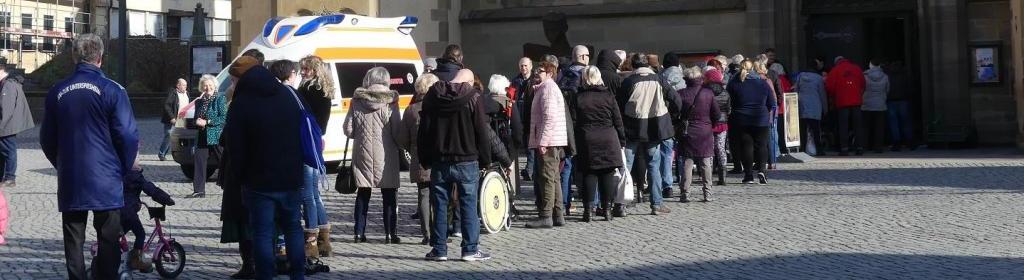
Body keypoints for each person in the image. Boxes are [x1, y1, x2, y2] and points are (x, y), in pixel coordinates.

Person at [40, 33, 140, 280]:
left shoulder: (57, 91)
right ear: (100, 58)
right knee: (108, 237)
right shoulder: (113, 90)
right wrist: (123, 167)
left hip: (72, 175)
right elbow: (127, 134)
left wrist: (62, 163)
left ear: (75, 56)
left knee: (73, 238)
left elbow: (46, 138)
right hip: (106, 176)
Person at [222, 58, 307, 279]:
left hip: (258, 181)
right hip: (291, 177)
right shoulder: (289, 95)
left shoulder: (242, 103)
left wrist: (241, 177)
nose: (232, 84)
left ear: (241, 79)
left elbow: (234, 146)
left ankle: (265, 276)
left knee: (261, 232)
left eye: (233, 80)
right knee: (293, 228)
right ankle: (298, 274)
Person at [418, 68, 493, 261]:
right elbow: (481, 131)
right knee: (468, 204)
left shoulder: (432, 96)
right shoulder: (473, 97)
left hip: (440, 160)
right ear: (468, 82)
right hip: (467, 159)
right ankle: (469, 249)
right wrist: (485, 159)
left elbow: (424, 129)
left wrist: (424, 158)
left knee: (440, 205)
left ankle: (439, 249)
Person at [342, 67, 404, 244]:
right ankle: (390, 234)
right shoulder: (391, 101)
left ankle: (358, 233)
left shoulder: (357, 100)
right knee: (389, 194)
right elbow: (397, 130)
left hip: (362, 153)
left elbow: (348, 129)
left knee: (363, 192)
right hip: (386, 155)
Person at [618, 53, 680, 215]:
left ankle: (620, 204)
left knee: (627, 166)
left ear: (633, 65)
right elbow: (676, 100)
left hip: (632, 127)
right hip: (654, 127)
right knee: (653, 165)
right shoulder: (659, 79)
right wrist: (671, 116)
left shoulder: (629, 81)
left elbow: (619, 105)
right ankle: (656, 204)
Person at [572, 66, 624, 222]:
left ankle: (588, 211)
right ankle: (607, 210)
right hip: (608, 137)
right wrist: (622, 140)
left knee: (589, 173)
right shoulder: (609, 95)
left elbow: (574, 121)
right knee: (607, 173)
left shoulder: (579, 97)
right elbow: (618, 120)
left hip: (587, 139)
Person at [297, 55, 334, 259]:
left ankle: (311, 238)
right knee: (314, 193)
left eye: (306, 69)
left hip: (307, 142)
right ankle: (324, 239)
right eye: (302, 69)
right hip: (316, 141)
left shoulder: (310, 89)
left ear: (314, 70)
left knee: (308, 193)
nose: (303, 72)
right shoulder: (323, 89)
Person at [525, 60, 569, 228]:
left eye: (541, 70)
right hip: (553, 140)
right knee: (554, 178)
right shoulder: (546, 88)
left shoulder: (548, 89)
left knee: (547, 178)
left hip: (549, 142)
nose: (537, 73)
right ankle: (558, 214)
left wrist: (542, 141)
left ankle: (546, 216)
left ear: (550, 73)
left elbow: (549, 118)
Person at [399, 73, 439, 245]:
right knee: (439, 195)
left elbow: (402, 139)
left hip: (419, 157)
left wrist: (413, 149)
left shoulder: (411, 110)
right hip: (439, 157)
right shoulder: (440, 106)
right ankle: (439, 233)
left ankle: (427, 234)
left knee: (423, 194)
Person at [122, 152, 175, 270]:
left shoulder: (120, 173)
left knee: (121, 231)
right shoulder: (136, 177)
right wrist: (167, 199)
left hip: (117, 209)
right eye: (138, 158)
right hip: (128, 211)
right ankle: (136, 259)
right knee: (140, 233)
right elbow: (151, 190)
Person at [675, 67, 721, 202]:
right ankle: (708, 193)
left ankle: (685, 193)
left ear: (686, 79)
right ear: (700, 78)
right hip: (705, 130)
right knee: (706, 162)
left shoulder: (681, 93)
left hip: (687, 130)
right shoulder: (708, 93)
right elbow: (717, 114)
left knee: (687, 163)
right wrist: (710, 125)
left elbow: (674, 113)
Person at [727, 60, 776, 185]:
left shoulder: (734, 83)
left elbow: (728, 102)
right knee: (762, 145)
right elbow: (772, 103)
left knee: (746, 146)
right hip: (761, 118)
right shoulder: (762, 83)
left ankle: (748, 175)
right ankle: (762, 170)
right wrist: (765, 112)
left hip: (741, 119)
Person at [186, 74, 226, 199]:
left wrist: (207, 121)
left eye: (210, 85)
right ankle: (199, 190)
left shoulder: (220, 98)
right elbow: (194, 119)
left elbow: (223, 117)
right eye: (205, 85)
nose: (207, 87)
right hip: (202, 135)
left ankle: (233, 186)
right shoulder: (199, 101)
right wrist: (196, 122)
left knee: (224, 162)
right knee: (199, 162)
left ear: (214, 86)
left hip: (215, 135)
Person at [826, 56, 867, 156]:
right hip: (856, 101)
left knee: (843, 126)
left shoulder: (835, 70)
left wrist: (834, 96)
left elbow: (829, 87)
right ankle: (859, 147)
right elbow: (863, 84)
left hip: (842, 101)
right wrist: (858, 94)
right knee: (858, 126)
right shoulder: (856, 68)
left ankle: (844, 148)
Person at [658, 52, 684, 199]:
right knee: (680, 152)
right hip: (679, 119)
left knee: (666, 153)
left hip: (665, 119)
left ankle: (667, 185)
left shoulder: (661, 78)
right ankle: (682, 181)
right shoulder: (684, 78)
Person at [0, 65, 31, 188]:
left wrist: (1, 126)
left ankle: (10, 178)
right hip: (6, 125)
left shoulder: (8, 85)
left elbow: (6, 110)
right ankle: (5, 177)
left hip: (6, 126)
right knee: (3, 152)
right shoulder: (7, 83)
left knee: (9, 151)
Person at [795, 59, 829, 156]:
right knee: (816, 130)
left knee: (802, 129)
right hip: (815, 106)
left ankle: (802, 149)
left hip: (802, 105)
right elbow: (822, 94)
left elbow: (796, 90)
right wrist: (825, 108)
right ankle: (819, 150)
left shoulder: (800, 76)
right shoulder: (818, 78)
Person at [704, 68, 730, 185]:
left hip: (708, 124)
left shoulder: (704, 91)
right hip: (722, 124)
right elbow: (729, 109)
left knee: (709, 150)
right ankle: (722, 177)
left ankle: (707, 176)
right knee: (721, 149)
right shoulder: (725, 92)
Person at [512, 57, 535, 181]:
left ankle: (530, 169)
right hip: (519, 116)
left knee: (530, 145)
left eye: (526, 65)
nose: (523, 68)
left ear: (531, 66)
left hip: (531, 115)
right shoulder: (515, 81)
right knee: (524, 145)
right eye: (521, 66)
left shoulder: (535, 80)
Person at [862, 59, 890, 153]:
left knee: (866, 127)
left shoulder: (865, 76)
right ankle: (878, 147)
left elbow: (861, 88)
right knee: (879, 127)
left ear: (870, 65)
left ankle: (866, 146)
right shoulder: (885, 76)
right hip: (880, 105)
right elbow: (887, 89)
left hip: (866, 105)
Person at [885, 61, 914, 151]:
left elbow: (886, 88)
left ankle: (897, 143)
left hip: (891, 101)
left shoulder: (888, 76)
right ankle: (910, 142)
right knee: (906, 122)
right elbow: (910, 87)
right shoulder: (905, 75)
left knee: (894, 123)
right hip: (903, 100)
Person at [159, 78, 189, 161]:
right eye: (183, 85)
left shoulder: (187, 94)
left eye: (186, 85)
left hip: (183, 119)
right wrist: (172, 117)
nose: (185, 87)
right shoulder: (173, 93)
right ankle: (162, 153)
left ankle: (181, 154)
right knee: (169, 135)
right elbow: (167, 106)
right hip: (172, 119)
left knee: (181, 137)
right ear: (178, 85)